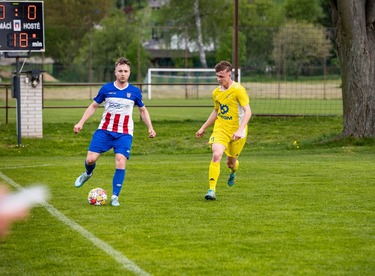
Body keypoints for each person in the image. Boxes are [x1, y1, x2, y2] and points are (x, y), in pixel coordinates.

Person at [73, 57, 156, 206]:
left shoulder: (134, 92)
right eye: (120, 71)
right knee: (90, 159)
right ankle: (88, 173)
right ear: (115, 72)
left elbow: (143, 111)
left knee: (120, 161)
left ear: (129, 73)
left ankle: (114, 197)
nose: (123, 74)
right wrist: (80, 122)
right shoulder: (106, 89)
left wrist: (150, 127)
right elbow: (93, 107)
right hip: (105, 130)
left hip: (124, 133)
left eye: (125, 71)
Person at [196, 61, 252, 200]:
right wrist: (203, 127)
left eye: (222, 76)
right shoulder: (216, 93)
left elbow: (248, 111)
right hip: (221, 129)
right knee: (216, 155)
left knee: (231, 163)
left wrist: (239, 130)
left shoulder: (239, 90)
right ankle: (211, 190)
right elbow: (216, 111)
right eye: (217, 76)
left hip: (237, 132)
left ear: (229, 74)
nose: (219, 79)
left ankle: (233, 172)